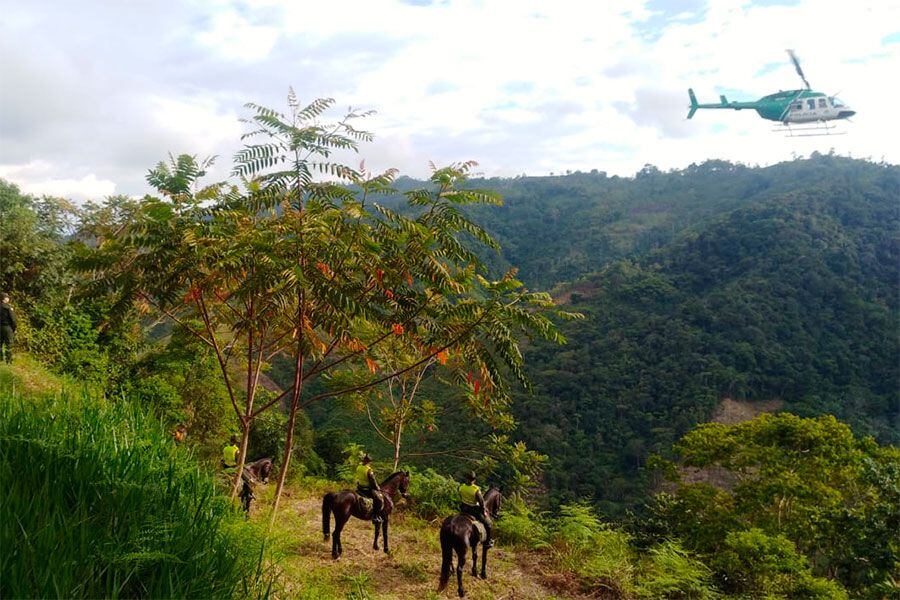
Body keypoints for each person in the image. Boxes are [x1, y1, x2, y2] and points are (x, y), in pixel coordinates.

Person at [458, 471, 493, 547]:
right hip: (474, 510)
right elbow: (481, 502)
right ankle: (488, 541)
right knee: (488, 524)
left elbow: (461, 497)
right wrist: (484, 511)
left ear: (466, 478)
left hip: (464, 509)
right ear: (474, 480)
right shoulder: (476, 489)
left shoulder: (461, 487)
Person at [355, 453, 383, 523]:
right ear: (369, 462)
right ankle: (376, 516)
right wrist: (377, 488)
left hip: (359, 487)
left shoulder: (358, 467)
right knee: (379, 500)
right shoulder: (369, 470)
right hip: (367, 489)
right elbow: (373, 481)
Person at [0, 294, 17, 364]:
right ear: (4, 299)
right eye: (7, 298)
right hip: (7, 327)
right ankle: (9, 360)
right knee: (9, 345)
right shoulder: (8, 308)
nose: (8, 299)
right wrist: (14, 329)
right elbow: (13, 320)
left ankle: (0, 359)